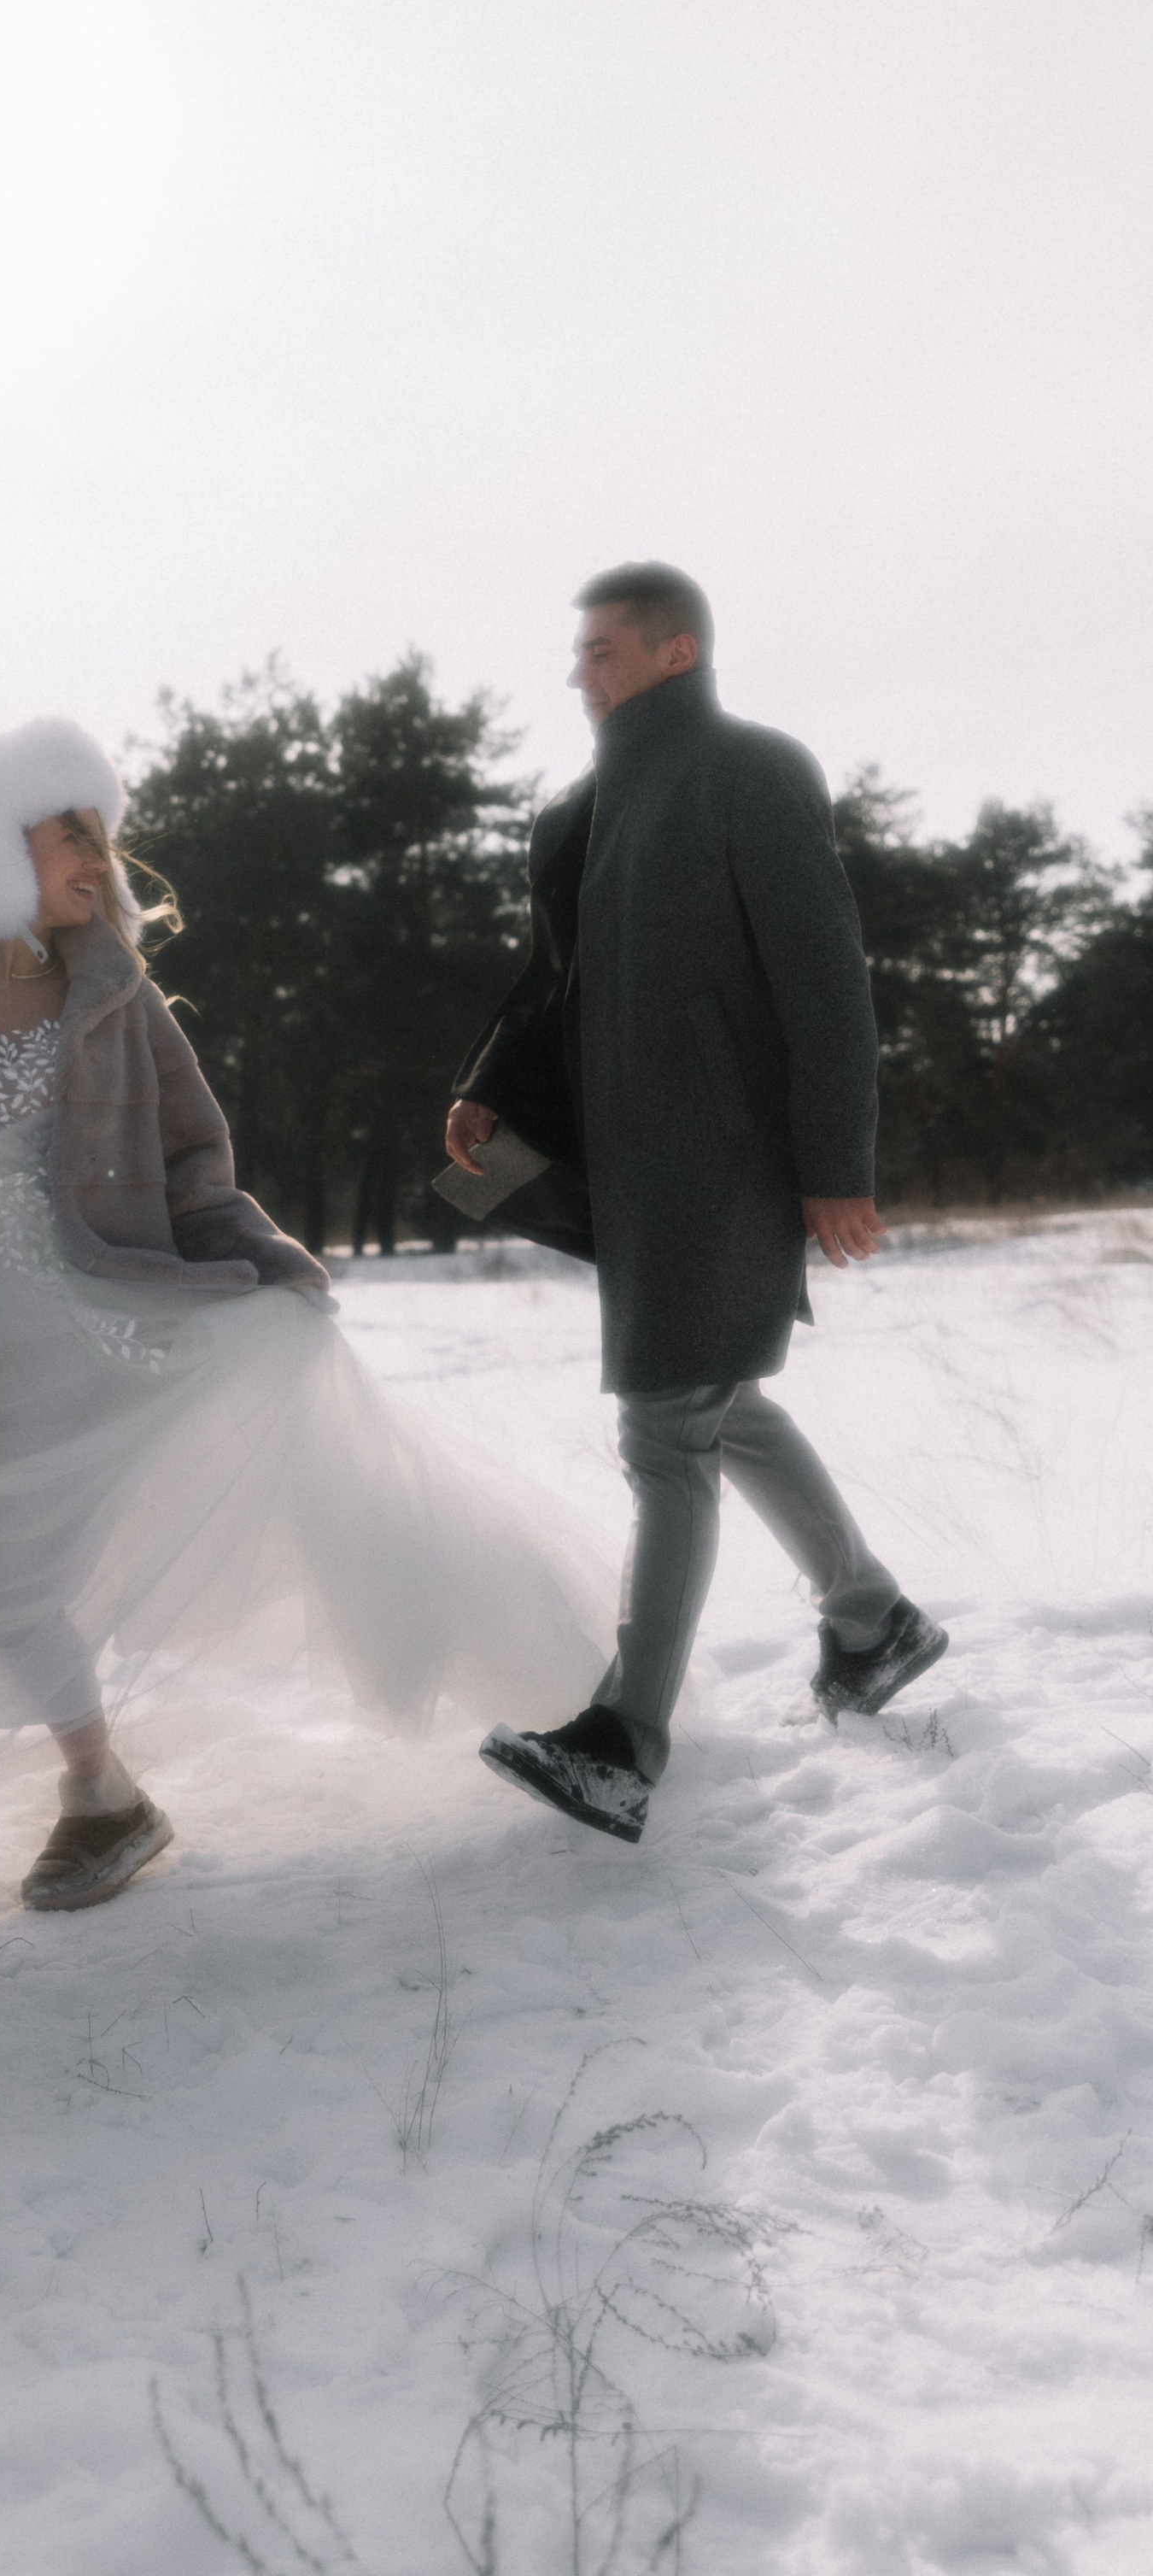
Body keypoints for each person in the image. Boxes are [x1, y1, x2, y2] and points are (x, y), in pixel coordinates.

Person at [0, 716, 606, 1995]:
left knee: (10, 1591)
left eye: (99, 838)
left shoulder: (118, 1000)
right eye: (70, 836)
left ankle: (102, 1798)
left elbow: (193, 1173)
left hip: (72, 1346)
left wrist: (271, 1269)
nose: (95, 863)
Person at [446, 564, 946, 1848]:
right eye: (580, 654)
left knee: (667, 1431)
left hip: (732, 1159)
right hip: (631, 1167)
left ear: (678, 654)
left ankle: (623, 1740)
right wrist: (491, 1088)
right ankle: (872, 1621)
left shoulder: (751, 768)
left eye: (604, 652)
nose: (581, 673)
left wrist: (838, 1165)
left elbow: (827, 980)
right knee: (718, 1400)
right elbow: (550, 983)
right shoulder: (577, 811)